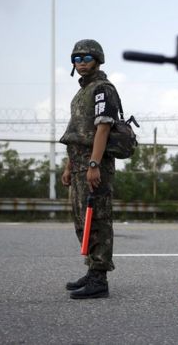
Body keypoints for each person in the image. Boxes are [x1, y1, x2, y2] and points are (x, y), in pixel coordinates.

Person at [60, 39, 120, 299]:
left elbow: (103, 128)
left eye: (86, 58)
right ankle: (92, 269)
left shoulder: (102, 90)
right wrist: (69, 165)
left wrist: (94, 164)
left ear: (97, 59)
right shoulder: (81, 93)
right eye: (77, 59)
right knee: (82, 222)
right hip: (79, 165)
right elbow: (78, 133)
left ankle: (100, 279)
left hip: (94, 165)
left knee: (97, 221)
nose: (81, 63)